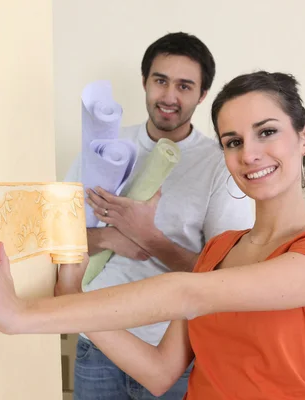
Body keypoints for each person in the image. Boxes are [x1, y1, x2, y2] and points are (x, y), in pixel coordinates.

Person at [0, 71, 305, 400]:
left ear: (304, 137)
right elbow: (159, 372)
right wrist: (71, 291)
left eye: (267, 131)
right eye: (233, 141)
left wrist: (20, 314)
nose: (249, 153)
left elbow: (188, 293)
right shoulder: (220, 250)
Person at [62, 32, 254, 399]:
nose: (169, 96)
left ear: (202, 95)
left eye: (184, 86)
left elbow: (224, 280)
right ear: (145, 83)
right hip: (96, 340)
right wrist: (108, 238)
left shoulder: (219, 164)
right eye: (160, 81)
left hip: (172, 351)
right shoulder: (103, 146)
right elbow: (57, 237)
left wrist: (148, 237)